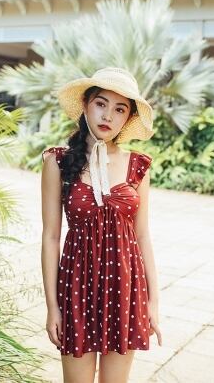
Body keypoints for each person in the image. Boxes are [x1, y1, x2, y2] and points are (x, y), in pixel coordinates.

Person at [40, 67, 162, 383]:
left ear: (127, 118)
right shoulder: (58, 162)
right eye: (101, 103)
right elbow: (50, 237)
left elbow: (143, 236)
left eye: (120, 109)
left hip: (125, 289)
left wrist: (153, 302)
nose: (108, 115)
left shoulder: (138, 166)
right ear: (85, 104)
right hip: (76, 288)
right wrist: (53, 307)